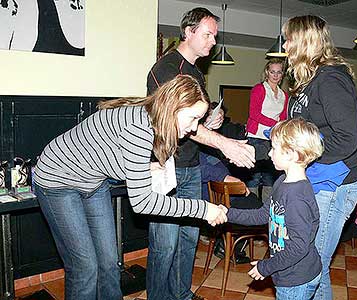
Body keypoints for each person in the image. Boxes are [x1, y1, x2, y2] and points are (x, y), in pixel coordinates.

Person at [33, 75, 228, 300]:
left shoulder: (152, 116)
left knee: (109, 262)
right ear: (174, 106)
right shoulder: (139, 128)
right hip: (57, 180)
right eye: (193, 118)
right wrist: (204, 209)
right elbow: (143, 202)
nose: (194, 128)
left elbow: (112, 153)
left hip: (93, 182)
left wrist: (146, 168)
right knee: (85, 268)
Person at [146, 7, 255, 300]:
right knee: (165, 242)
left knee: (188, 237)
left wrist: (209, 122)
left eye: (214, 36)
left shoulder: (196, 72)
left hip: (192, 165)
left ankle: (181, 294)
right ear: (188, 32)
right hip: (165, 165)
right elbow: (172, 119)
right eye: (207, 34)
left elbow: (191, 122)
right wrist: (224, 142)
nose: (212, 41)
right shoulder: (167, 69)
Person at [282, 15, 357, 300]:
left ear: (305, 42)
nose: (285, 44)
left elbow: (347, 139)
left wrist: (302, 157)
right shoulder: (306, 82)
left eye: (289, 39)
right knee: (316, 264)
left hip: (336, 183)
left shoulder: (331, 79)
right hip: (316, 178)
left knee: (311, 264)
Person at [225, 118, 324, 300]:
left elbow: (298, 247)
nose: (269, 154)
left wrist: (266, 267)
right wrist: (226, 213)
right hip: (289, 272)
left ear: (293, 154)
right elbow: (263, 215)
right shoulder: (282, 182)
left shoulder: (296, 197)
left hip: (296, 279)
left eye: (274, 148)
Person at [199, 152, 263, 264]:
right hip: (221, 200)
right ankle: (229, 248)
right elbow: (203, 169)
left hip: (219, 198)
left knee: (253, 203)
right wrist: (224, 177)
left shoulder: (202, 151)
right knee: (259, 212)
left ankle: (223, 242)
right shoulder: (196, 155)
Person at [246, 58, 288, 199]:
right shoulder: (259, 89)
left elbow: (283, 117)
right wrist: (274, 124)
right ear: (267, 73)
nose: (275, 75)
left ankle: (266, 213)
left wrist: (279, 127)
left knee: (270, 178)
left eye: (279, 72)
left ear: (282, 75)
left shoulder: (284, 95)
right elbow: (254, 114)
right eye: (272, 72)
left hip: (273, 138)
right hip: (256, 137)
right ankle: (251, 209)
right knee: (254, 177)